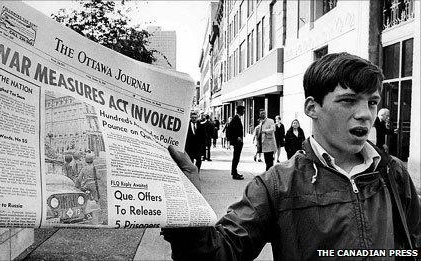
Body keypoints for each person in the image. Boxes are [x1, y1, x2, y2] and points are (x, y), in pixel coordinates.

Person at [162, 52, 420, 260]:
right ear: (312, 108)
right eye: (349, 101)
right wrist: (187, 209)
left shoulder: (392, 172)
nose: (365, 113)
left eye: (372, 102)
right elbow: (219, 253)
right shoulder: (277, 184)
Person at [227, 105, 245, 180]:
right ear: (240, 111)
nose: (244, 112)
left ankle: (234, 172)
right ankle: (234, 173)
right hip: (237, 142)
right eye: (243, 111)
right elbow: (229, 130)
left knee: (236, 157)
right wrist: (236, 138)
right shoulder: (235, 119)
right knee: (236, 157)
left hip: (238, 142)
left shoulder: (237, 118)